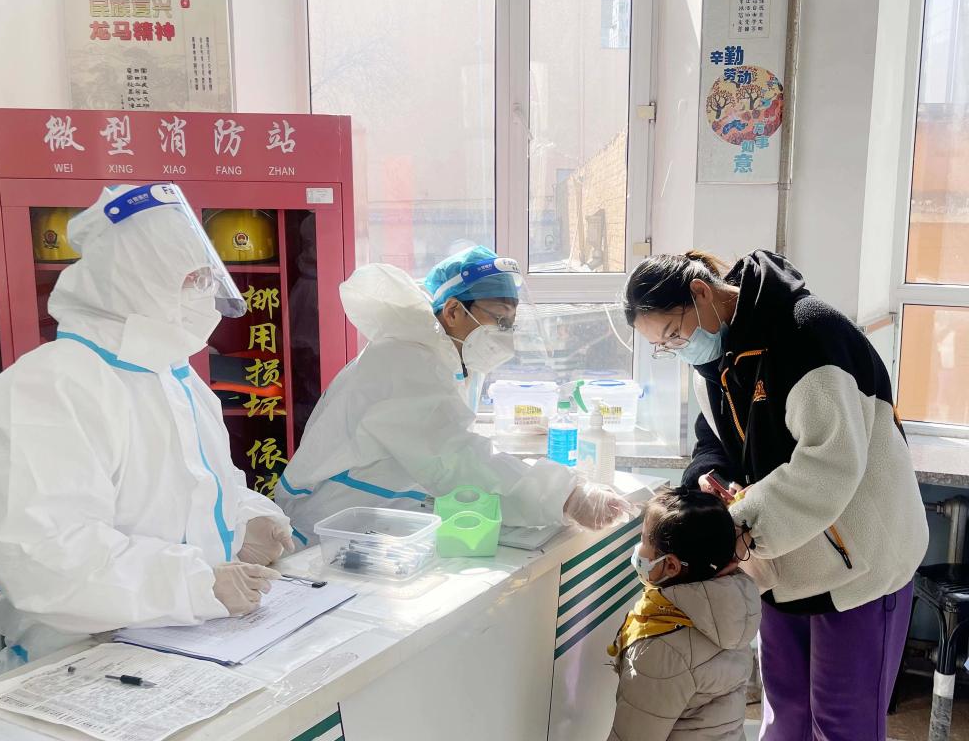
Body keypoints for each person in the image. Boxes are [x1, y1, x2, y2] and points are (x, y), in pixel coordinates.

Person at [0, 184, 295, 672]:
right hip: (81, 663)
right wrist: (195, 584)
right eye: (188, 278)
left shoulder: (176, 377)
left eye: (206, 275)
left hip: (198, 641)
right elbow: (44, 557)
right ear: (131, 279)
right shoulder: (48, 385)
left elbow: (203, 488)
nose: (203, 292)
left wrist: (247, 520)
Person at [622, 249, 929, 740]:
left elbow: (828, 464)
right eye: (663, 346)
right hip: (781, 565)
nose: (678, 349)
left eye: (674, 334)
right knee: (786, 715)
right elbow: (713, 441)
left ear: (701, 293)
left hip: (860, 566)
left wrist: (736, 526)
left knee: (842, 723)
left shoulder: (807, 333)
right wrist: (708, 480)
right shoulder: (717, 362)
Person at [278, 246, 630, 545]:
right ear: (452, 311)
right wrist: (565, 496)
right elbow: (454, 456)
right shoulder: (403, 362)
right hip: (330, 528)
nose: (506, 333)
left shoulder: (446, 359)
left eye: (511, 322)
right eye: (500, 319)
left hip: (376, 521)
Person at [607, 487, 760, 741]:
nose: (638, 548)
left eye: (644, 540)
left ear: (671, 565)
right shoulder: (727, 611)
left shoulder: (661, 648)